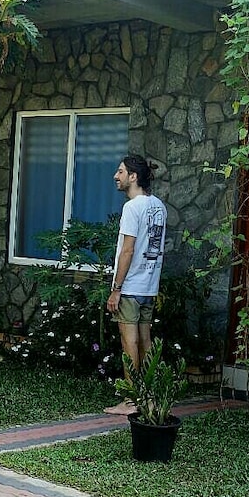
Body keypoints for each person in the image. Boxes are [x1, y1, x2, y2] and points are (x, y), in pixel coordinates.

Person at [104, 153, 167, 415]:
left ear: (133, 176)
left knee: (129, 344)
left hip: (130, 287)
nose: (115, 177)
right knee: (145, 341)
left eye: (120, 172)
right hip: (149, 286)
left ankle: (131, 401)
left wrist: (116, 289)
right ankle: (149, 397)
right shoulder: (159, 206)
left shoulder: (132, 208)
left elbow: (127, 250)